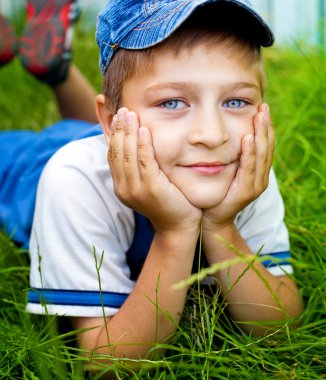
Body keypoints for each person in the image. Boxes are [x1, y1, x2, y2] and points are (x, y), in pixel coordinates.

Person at [1, 0, 303, 363]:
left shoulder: (243, 170)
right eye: (173, 103)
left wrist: (222, 228)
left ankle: (57, 71)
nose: (212, 135)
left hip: (126, 144)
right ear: (111, 123)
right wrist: (174, 234)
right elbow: (107, 362)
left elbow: (281, 326)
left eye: (236, 102)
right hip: (31, 167)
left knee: (94, 130)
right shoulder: (72, 179)